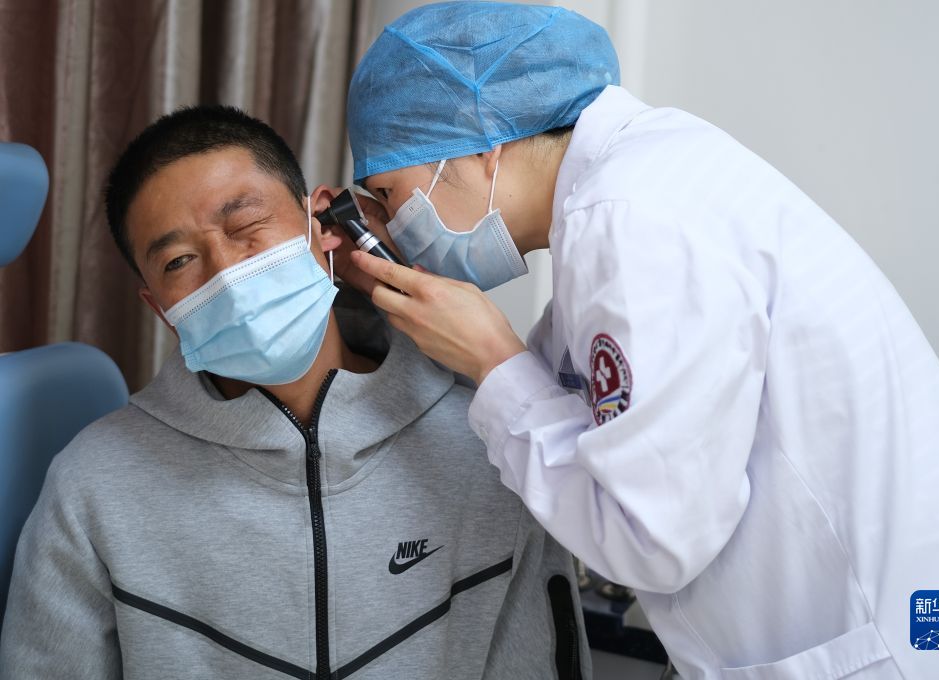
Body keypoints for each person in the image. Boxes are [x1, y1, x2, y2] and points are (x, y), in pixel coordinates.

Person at [337, 3, 939, 679]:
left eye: (390, 194)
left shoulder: (631, 218)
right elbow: (568, 399)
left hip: (892, 646)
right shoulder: (633, 185)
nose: (396, 224)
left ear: (477, 145)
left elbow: (651, 538)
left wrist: (491, 357)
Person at [0, 105, 591, 680]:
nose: (227, 273)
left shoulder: (490, 444)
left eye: (246, 227)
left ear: (322, 227)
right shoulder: (93, 488)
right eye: (179, 261)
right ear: (161, 310)